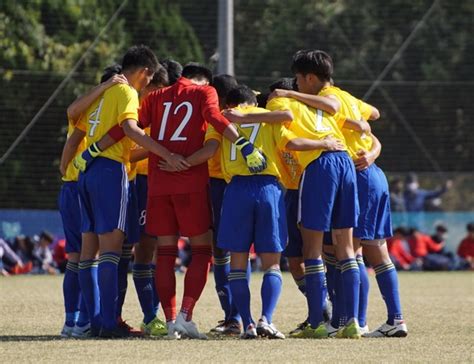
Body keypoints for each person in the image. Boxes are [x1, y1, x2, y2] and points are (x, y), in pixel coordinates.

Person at [122, 63, 267, 339]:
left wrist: (164, 155)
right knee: (202, 250)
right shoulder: (205, 93)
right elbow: (214, 117)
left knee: (164, 252)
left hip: (158, 183)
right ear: (203, 81)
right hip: (191, 183)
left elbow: (130, 127)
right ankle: (186, 316)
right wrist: (244, 145)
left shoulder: (155, 96)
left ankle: (170, 321)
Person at [269, 49, 407, 338]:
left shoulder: (319, 102)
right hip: (364, 168)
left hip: (348, 171)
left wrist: (291, 97)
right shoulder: (347, 97)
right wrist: (368, 144)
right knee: (353, 251)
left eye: (298, 80)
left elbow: (329, 111)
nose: (295, 85)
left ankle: (347, 319)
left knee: (349, 251)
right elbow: (373, 115)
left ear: (309, 78)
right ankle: (353, 320)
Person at [73, 45, 160, 338]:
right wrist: (164, 151)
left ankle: (95, 322)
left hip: (86, 173)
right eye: (150, 79)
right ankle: (108, 323)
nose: (148, 85)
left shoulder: (102, 93)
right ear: (145, 72)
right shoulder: (127, 93)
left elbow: (76, 118)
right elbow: (130, 129)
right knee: (111, 250)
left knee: (89, 251)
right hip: (110, 171)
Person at [213, 85, 291, 339]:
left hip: (236, 189)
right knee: (272, 264)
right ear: (251, 102)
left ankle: (246, 323)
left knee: (238, 262)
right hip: (267, 187)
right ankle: (266, 319)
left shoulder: (222, 119)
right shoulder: (266, 117)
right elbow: (286, 118)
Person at [205, 74, 243, 336]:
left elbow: (208, 150)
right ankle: (242, 316)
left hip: (219, 185)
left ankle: (234, 317)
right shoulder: (254, 114)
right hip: (246, 185)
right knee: (239, 252)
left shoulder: (217, 118)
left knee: (220, 251)